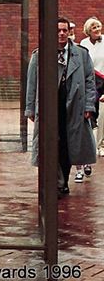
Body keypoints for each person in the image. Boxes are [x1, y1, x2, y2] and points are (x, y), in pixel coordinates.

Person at [24, 17, 97, 196]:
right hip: (49, 107)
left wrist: (89, 106)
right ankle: (57, 182)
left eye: (65, 30)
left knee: (68, 145)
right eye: (58, 31)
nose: (62, 34)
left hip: (74, 108)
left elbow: (89, 81)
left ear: (69, 32)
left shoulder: (81, 54)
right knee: (49, 143)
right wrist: (30, 108)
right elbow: (32, 83)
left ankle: (63, 179)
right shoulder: (40, 55)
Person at [78, 17, 104, 160]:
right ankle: (92, 145)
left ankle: (102, 145)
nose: (98, 30)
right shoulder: (84, 44)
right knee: (91, 115)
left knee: (103, 117)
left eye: (99, 26)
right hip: (91, 83)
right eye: (94, 27)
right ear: (88, 31)